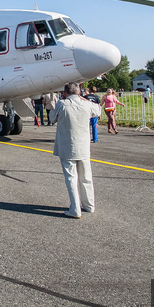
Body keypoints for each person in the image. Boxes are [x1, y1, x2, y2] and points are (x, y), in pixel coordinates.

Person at [49, 82, 102, 219]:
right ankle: (89, 205)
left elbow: (51, 118)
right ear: (79, 92)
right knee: (86, 177)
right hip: (83, 146)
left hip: (67, 146)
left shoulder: (62, 104)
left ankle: (75, 208)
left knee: (71, 178)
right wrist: (83, 99)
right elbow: (98, 110)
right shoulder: (87, 105)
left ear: (65, 93)